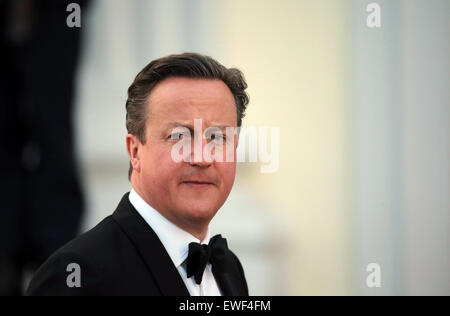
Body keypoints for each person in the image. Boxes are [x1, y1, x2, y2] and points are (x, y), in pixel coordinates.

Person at [26, 53, 250, 296]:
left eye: (218, 137)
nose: (202, 158)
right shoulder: (76, 274)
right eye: (179, 136)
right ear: (134, 151)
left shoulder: (229, 268)